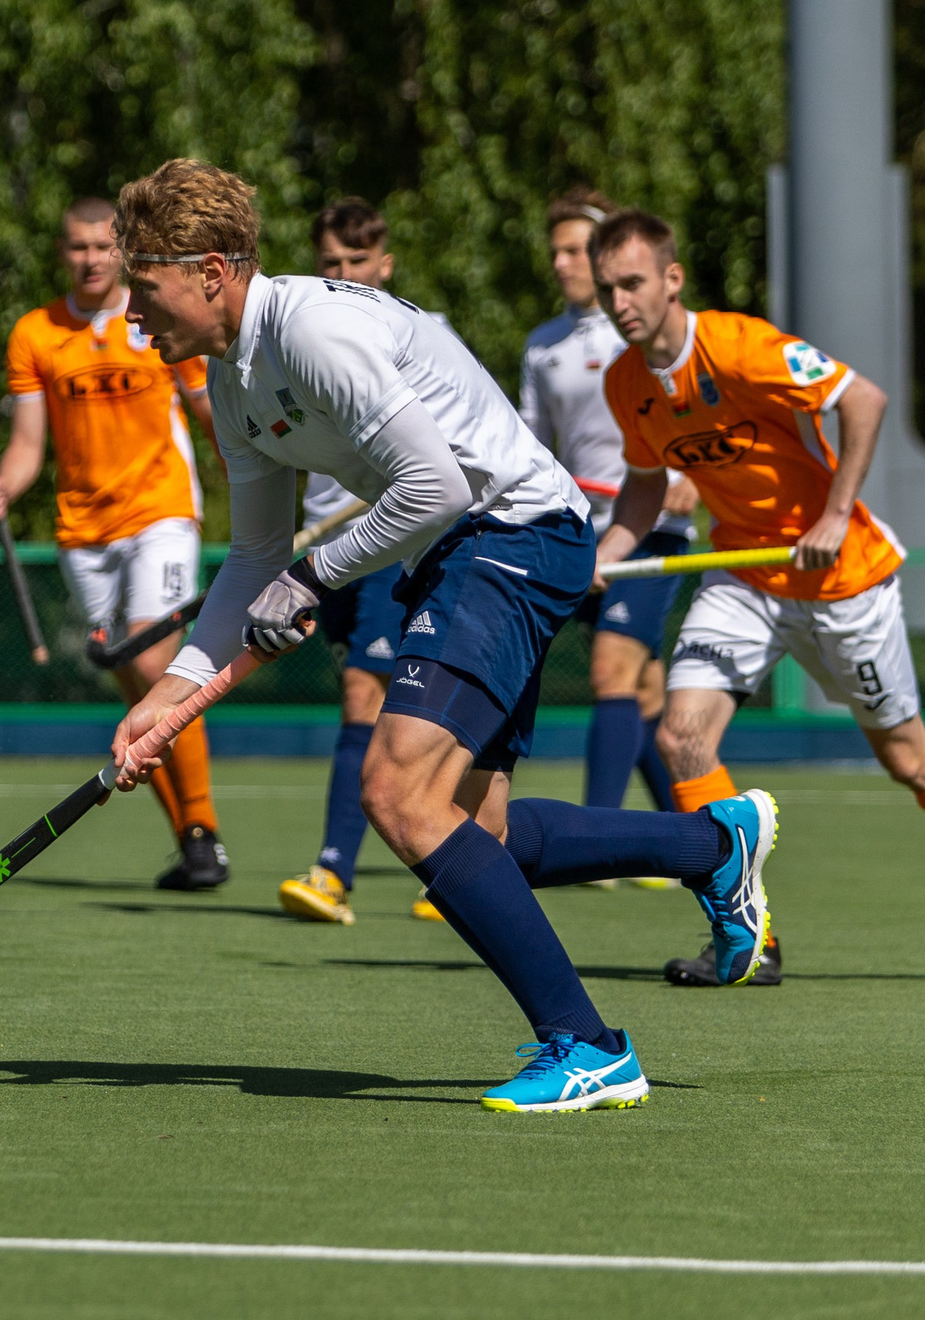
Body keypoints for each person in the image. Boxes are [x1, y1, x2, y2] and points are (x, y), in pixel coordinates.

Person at [109, 159, 778, 1113]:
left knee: (397, 788)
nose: (134, 313)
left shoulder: (312, 330)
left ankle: (588, 1045)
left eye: (146, 287)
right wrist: (168, 695)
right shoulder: (233, 376)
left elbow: (436, 484)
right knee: (481, 832)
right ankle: (713, 844)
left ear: (212, 271)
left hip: (507, 532)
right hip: (455, 551)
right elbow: (254, 555)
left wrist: (314, 576)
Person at [592, 209, 925, 983]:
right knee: (682, 738)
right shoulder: (626, 384)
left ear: (673, 280)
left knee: (910, 760)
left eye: (633, 283)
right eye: (608, 289)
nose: (619, 302)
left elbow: (863, 399)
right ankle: (751, 934)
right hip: (743, 573)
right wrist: (608, 552)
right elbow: (645, 485)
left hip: (846, 580)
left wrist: (836, 513)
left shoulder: (742, 347)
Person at [0, 197, 225, 890]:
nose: (88, 259)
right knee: (130, 681)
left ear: (122, 251)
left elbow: (209, 414)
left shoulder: (157, 318)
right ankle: (191, 840)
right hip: (83, 533)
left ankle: (202, 827)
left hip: (161, 512)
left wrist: (255, 502)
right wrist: (5, 484)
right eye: (75, 247)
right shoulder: (35, 333)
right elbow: (29, 443)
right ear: (62, 253)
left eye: (100, 246)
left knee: (153, 663)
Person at [277, 198, 436, 925]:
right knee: (376, 703)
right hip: (324, 547)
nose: (342, 274)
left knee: (366, 699)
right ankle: (459, 853)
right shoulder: (302, 333)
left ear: (385, 264)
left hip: (385, 542)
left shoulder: (419, 334)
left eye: (356, 262)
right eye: (331, 262)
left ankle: (335, 870)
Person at [519, 189, 689, 831]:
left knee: (610, 669)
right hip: (581, 531)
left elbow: (696, 409)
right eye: (555, 251)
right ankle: (687, 837)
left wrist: (691, 477)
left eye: (575, 250)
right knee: (644, 691)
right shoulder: (543, 345)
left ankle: (598, 836)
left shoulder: (645, 330)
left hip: (652, 528)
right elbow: (532, 446)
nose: (562, 263)